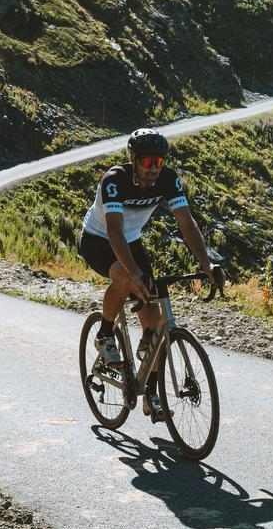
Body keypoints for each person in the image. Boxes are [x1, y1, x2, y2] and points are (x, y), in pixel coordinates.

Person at [79, 127, 214, 420]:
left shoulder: (168, 180)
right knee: (127, 278)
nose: (154, 169)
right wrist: (134, 272)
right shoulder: (114, 181)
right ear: (134, 159)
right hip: (99, 238)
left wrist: (207, 265)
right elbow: (114, 231)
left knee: (155, 320)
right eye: (147, 162)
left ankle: (151, 394)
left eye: (159, 162)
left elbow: (187, 224)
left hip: (131, 239)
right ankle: (104, 334)